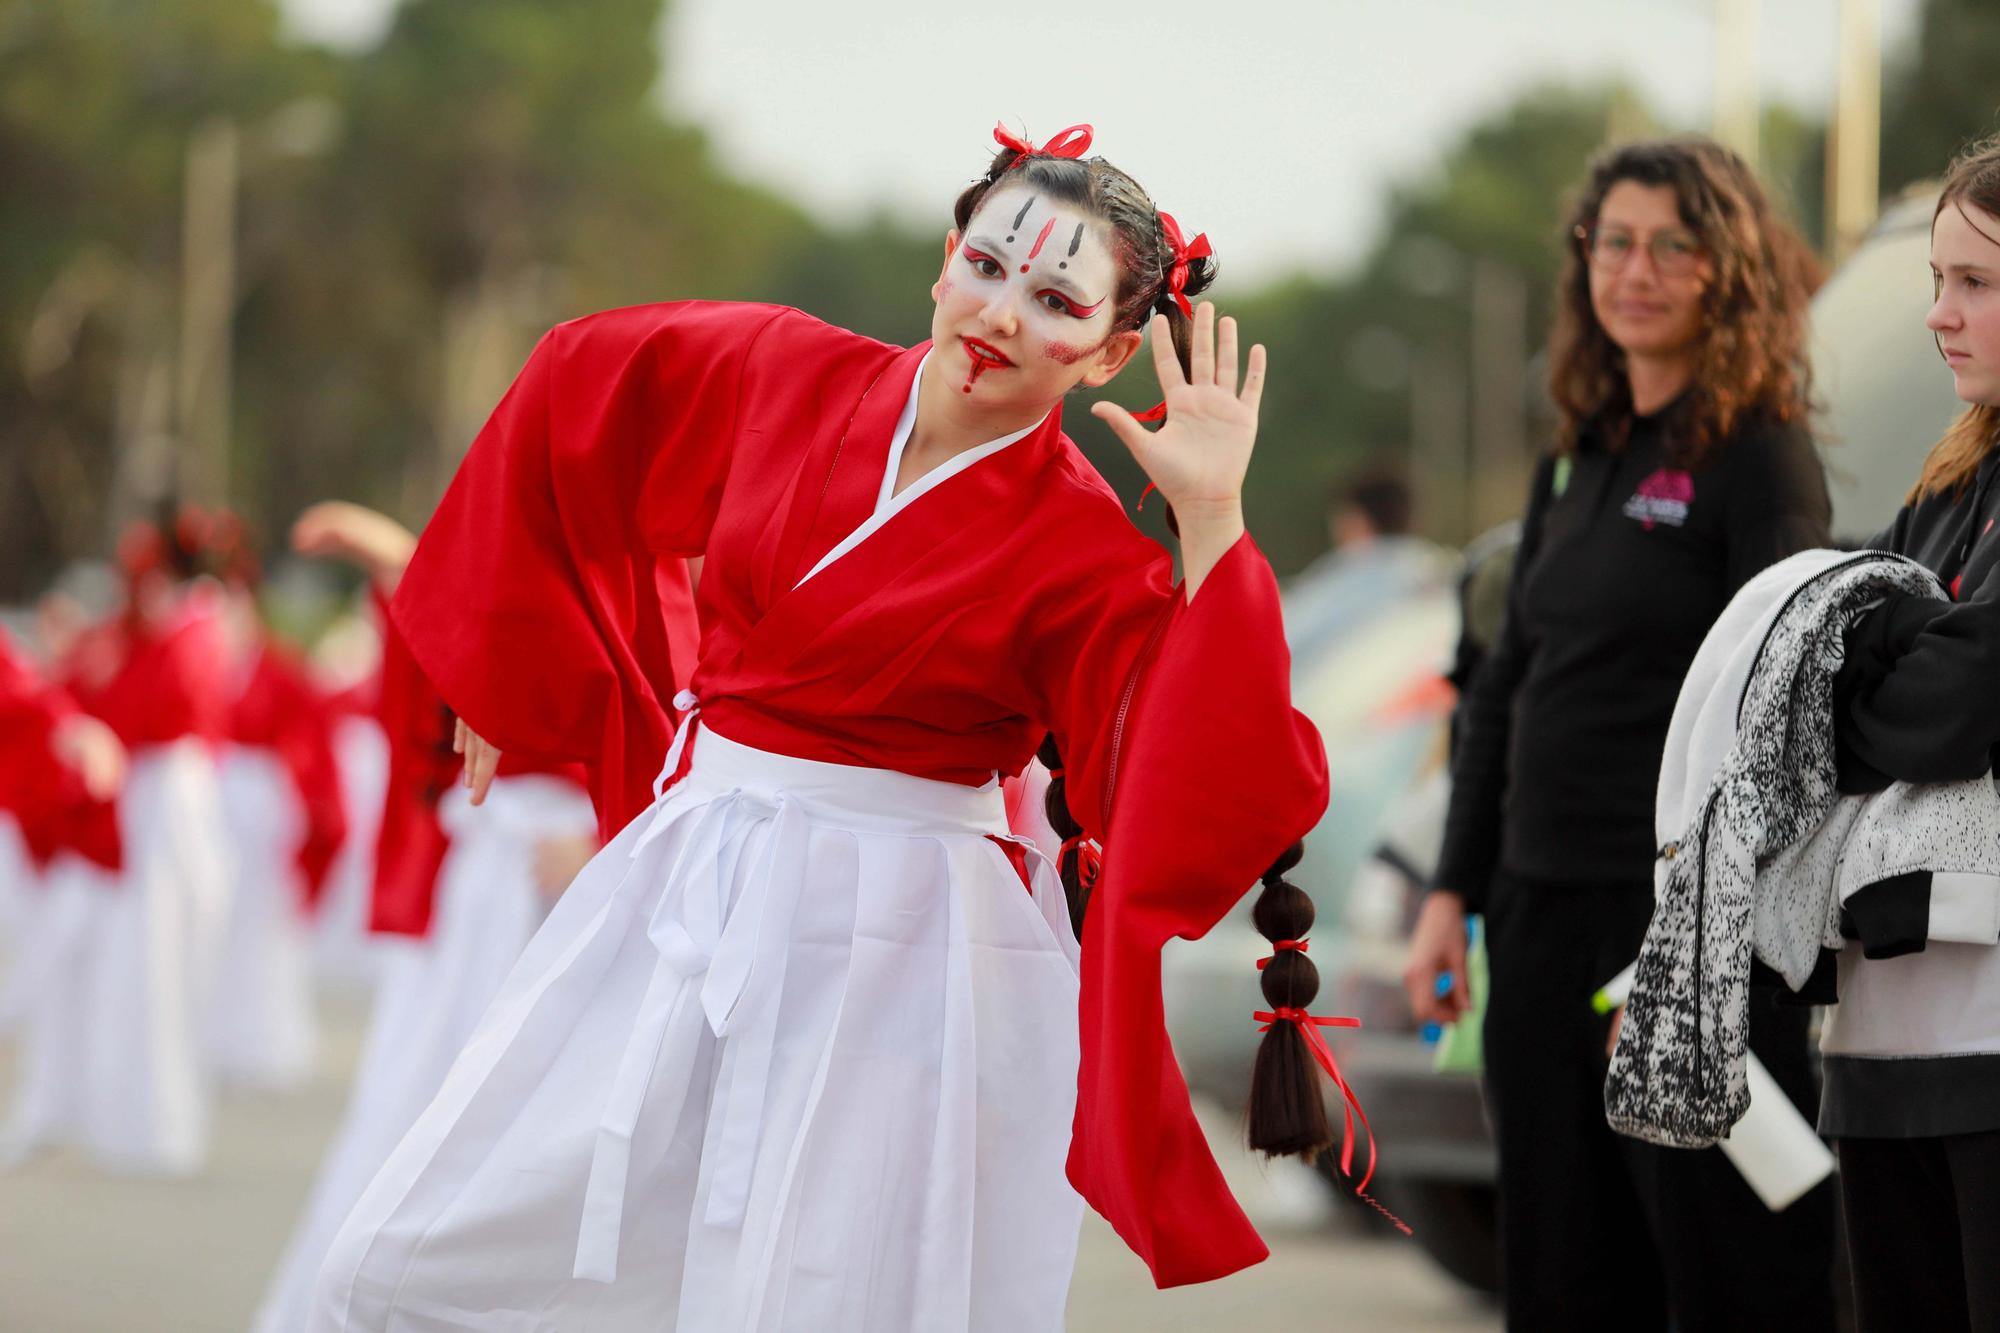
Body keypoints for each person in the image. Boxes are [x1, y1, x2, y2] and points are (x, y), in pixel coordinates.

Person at [310, 123, 1330, 1331]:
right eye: (989, 268)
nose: (1001, 314)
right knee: (400, 1266)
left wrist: (1209, 520)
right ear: (945, 261)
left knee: (812, 1300)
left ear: (1109, 353)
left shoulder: (1083, 551)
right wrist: (500, 657)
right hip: (692, 871)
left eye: (1055, 298)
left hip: (909, 940)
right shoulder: (781, 371)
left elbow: (1199, 772)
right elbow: (576, 387)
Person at [1402, 137, 1837, 1330]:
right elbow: (1502, 689)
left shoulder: (1758, 454)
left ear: (1723, 270)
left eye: (1669, 246)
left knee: (1720, 1278)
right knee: (1555, 1272)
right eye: (1611, 242)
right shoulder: (1576, 455)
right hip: (1535, 931)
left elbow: (1780, 716)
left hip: (1676, 940)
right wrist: (1451, 893)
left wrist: (1679, 965)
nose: (1631, 270)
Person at [253, 502, 599, 1333]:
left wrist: (603, 837)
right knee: (415, 1095)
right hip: (483, 877)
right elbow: (474, 625)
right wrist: (402, 564)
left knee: (530, 1121)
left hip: (580, 879)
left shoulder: (670, 575)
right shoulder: (549, 563)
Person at [1822, 135, 2000, 1331]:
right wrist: (1896, 658)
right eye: (1932, 280)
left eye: (1973, 283)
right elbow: (1818, 689)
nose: (1938, 314)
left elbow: (1950, 708)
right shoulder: (1942, 482)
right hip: (1879, 1037)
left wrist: (1895, 659)